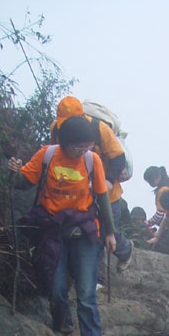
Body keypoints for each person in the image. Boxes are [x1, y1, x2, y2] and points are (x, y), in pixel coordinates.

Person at [8, 116, 116, 336]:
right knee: (56, 287)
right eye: (78, 147)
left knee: (86, 291)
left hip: (84, 231)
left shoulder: (92, 160)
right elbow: (23, 183)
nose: (82, 151)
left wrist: (109, 232)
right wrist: (13, 170)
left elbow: (102, 197)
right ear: (64, 143)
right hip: (52, 229)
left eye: (87, 146)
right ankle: (62, 324)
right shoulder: (47, 155)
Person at [51, 96, 133, 274]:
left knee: (106, 231)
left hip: (108, 193)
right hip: (78, 193)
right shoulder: (56, 129)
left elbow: (119, 158)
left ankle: (126, 250)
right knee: (91, 233)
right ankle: (97, 278)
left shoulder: (99, 129)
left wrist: (109, 181)